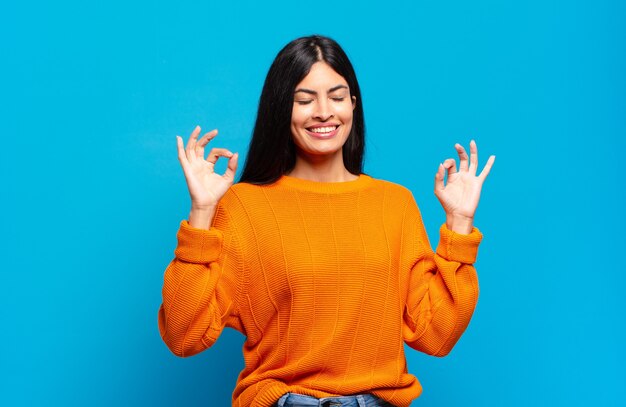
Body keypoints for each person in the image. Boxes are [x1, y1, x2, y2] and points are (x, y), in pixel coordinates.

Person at [158, 35, 495, 407]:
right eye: (304, 100)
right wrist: (202, 213)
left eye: (337, 97)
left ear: (353, 104)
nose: (323, 112)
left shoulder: (394, 204)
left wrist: (460, 226)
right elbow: (183, 335)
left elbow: (436, 335)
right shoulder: (244, 206)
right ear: (281, 108)